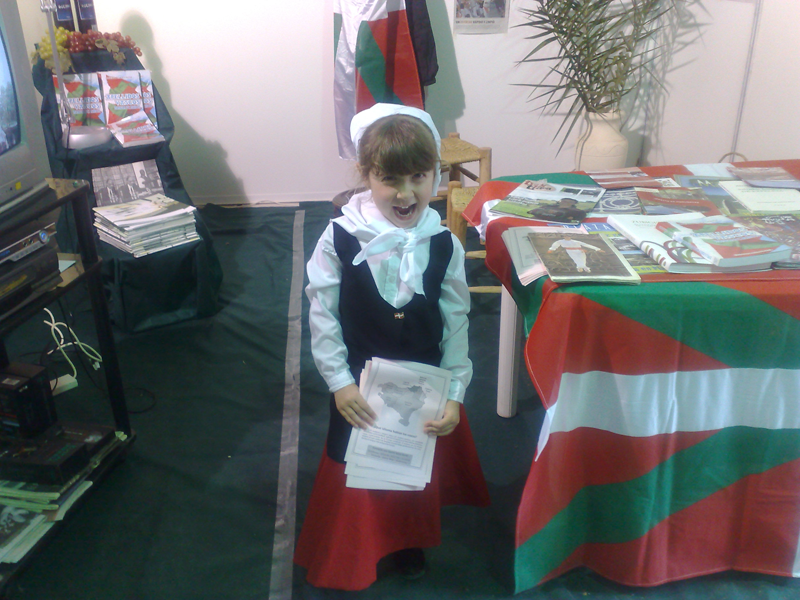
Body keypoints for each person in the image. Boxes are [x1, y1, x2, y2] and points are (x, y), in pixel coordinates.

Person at [294, 103, 490, 592]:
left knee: (409, 466)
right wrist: (338, 382)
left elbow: (457, 321)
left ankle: (406, 540)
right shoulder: (339, 237)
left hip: (421, 384)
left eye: (419, 178)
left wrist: (455, 391)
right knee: (356, 463)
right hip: (360, 385)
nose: (406, 194)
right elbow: (322, 314)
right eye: (390, 179)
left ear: (436, 175)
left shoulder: (444, 243)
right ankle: (361, 547)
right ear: (367, 176)